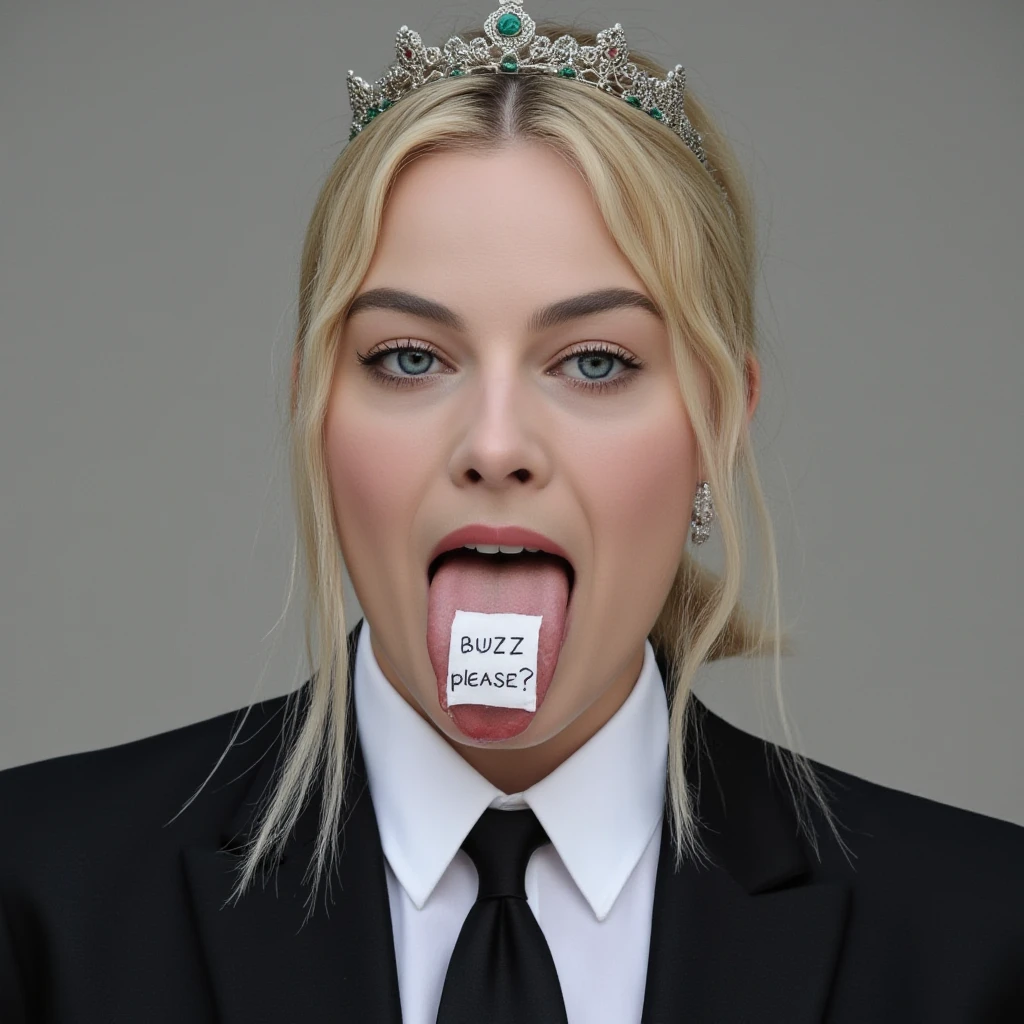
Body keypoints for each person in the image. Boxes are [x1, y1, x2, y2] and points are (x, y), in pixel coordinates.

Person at [1, 3, 1022, 1022]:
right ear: (314, 409)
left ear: (716, 422)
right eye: (409, 357)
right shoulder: (32, 897)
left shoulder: (983, 935)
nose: (495, 447)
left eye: (594, 361)